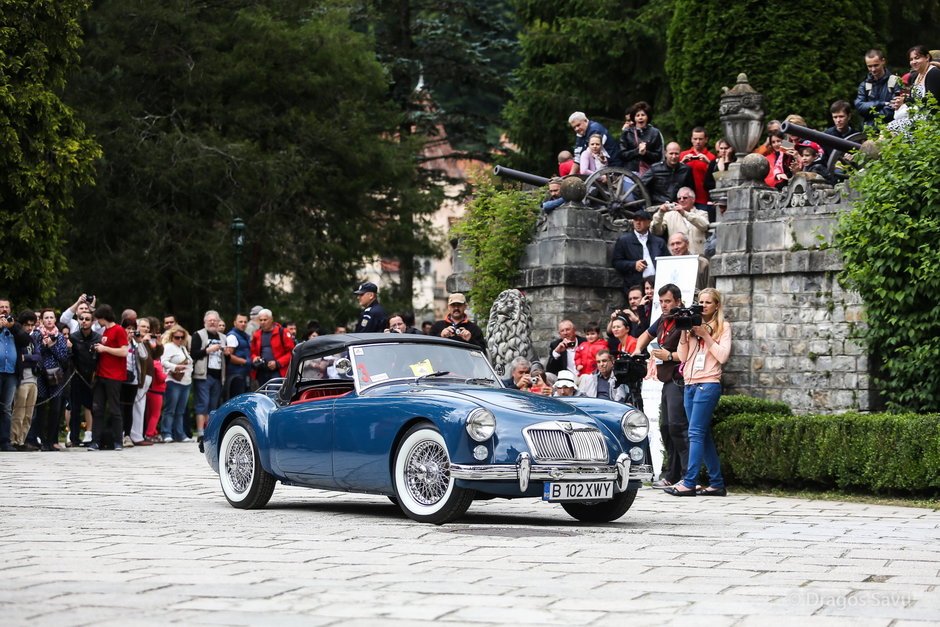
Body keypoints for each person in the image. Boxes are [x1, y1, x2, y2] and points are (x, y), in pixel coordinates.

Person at [664, 288, 732, 497]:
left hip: (708, 384)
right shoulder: (692, 324)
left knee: (694, 433)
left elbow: (723, 356)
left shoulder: (723, 326)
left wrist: (706, 336)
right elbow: (683, 357)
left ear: (716, 305)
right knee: (703, 435)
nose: (703, 306)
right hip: (690, 384)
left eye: (708, 302)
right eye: (700, 302)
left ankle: (690, 481)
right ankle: (716, 483)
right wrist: (685, 334)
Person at [634, 284, 689, 488]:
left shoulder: (684, 320)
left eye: (667, 301)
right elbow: (645, 336)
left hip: (680, 379)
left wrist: (669, 356)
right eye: (661, 302)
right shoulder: (662, 320)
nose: (664, 305)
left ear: (678, 301)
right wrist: (637, 351)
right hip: (666, 380)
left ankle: (687, 475)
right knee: (666, 428)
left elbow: (689, 353)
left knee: (677, 427)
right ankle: (673, 474)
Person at [88, 304, 129, 451]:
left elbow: (124, 352)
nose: (97, 321)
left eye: (98, 318)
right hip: (101, 375)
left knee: (114, 409)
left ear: (103, 317)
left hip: (114, 376)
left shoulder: (119, 330)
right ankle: (95, 441)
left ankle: (118, 441)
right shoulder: (105, 331)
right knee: (97, 409)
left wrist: (105, 349)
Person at [29, 309, 69, 450]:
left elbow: (64, 357)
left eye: (51, 317)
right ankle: (41, 439)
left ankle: (52, 440)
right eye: (46, 317)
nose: (49, 320)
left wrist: (51, 346)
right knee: (40, 407)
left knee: (55, 407)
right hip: (40, 373)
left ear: (55, 319)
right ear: (42, 320)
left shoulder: (60, 336)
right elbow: (35, 352)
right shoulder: (36, 334)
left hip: (55, 374)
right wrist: (44, 345)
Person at [611, 209, 669, 297]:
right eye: (635, 220)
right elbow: (616, 262)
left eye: (641, 220)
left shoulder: (659, 242)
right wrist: (633, 264)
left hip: (657, 284)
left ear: (649, 222)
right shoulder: (624, 240)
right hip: (635, 285)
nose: (638, 222)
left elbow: (667, 261)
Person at [191, 310, 226, 443]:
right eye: (210, 320)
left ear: (218, 322)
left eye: (215, 320)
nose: (212, 322)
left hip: (218, 376)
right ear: (205, 322)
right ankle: (200, 432)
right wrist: (208, 350)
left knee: (213, 405)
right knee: (202, 404)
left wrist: (226, 352)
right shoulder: (198, 335)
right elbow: (193, 354)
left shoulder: (223, 337)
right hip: (203, 375)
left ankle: (209, 432)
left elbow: (225, 359)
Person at [888, 45, 940, 133]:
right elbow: (913, 100)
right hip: (915, 116)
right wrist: (900, 103)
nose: (913, 62)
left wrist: (906, 100)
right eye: (911, 59)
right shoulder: (914, 77)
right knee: (887, 130)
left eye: (917, 58)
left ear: (927, 57)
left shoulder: (933, 73)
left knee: (891, 130)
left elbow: (932, 103)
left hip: (929, 120)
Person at [68, 309, 99, 445]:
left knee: (94, 408)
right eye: (81, 319)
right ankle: (74, 438)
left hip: (92, 377)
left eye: (87, 319)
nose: (84, 321)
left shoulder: (97, 337)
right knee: (75, 409)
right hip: (77, 377)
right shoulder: (73, 337)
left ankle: (95, 437)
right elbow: (70, 357)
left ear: (92, 322)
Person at [650, 186, 709, 255]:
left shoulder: (702, 213)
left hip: (698, 257)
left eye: (685, 198)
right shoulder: (669, 215)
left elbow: (704, 226)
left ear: (693, 199)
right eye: (679, 198)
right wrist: (660, 213)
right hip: (677, 258)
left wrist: (684, 213)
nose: (682, 200)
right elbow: (656, 231)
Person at [160, 325, 193, 443]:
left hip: (186, 381)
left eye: (181, 337)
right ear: (171, 336)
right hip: (173, 381)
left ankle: (180, 434)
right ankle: (166, 433)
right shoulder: (169, 346)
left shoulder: (183, 348)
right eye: (176, 337)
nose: (179, 339)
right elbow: (163, 361)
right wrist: (175, 367)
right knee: (170, 409)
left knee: (181, 410)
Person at [855, 49, 902, 128]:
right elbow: (859, 107)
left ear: (883, 61)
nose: (873, 69)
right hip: (869, 132)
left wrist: (871, 115)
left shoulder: (895, 82)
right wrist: (882, 103)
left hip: (891, 129)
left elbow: (894, 107)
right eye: (869, 66)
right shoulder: (864, 85)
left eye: (876, 65)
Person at [250, 309, 295, 385]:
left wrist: (277, 363)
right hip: (262, 372)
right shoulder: (257, 334)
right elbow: (252, 352)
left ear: (271, 319)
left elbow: (292, 352)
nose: (263, 322)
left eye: (265, 320)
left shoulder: (283, 332)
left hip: (278, 372)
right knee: (263, 395)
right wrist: (255, 357)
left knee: (273, 394)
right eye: (261, 320)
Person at [618, 101, 664, 175]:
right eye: (637, 115)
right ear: (634, 118)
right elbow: (622, 154)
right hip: (630, 173)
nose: (640, 117)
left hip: (650, 173)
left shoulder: (655, 132)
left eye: (643, 115)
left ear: (647, 117)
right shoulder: (627, 132)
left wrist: (646, 153)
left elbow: (658, 156)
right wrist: (637, 151)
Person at [679, 127, 715, 211]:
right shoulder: (683, 155)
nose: (698, 142)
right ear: (691, 139)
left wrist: (709, 163)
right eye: (695, 139)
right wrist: (682, 162)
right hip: (685, 199)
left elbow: (715, 177)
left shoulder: (711, 157)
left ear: (706, 140)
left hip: (703, 199)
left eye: (700, 139)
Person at [703, 137, 736, 222]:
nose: (724, 151)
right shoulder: (713, 163)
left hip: (731, 201)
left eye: (726, 148)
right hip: (715, 201)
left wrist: (727, 160)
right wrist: (719, 184)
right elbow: (706, 184)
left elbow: (732, 182)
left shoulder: (735, 163)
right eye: (721, 148)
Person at [225, 313, 252, 399]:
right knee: (237, 399)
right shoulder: (232, 336)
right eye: (240, 321)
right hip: (235, 374)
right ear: (235, 323)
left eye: (245, 322)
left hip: (244, 373)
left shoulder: (245, 336)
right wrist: (246, 362)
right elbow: (229, 357)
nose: (243, 324)